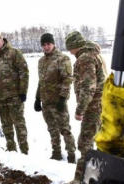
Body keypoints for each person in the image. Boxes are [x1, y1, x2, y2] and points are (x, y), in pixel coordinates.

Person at [65, 31, 108, 184]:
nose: (70, 52)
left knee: (85, 142)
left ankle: (81, 180)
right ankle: (98, 176)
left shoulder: (85, 58)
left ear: (76, 46)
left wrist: (80, 109)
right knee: (96, 141)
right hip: (102, 105)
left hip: (93, 107)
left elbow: (88, 87)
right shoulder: (95, 55)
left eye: (70, 48)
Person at [0, 32, 29, 154]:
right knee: (6, 125)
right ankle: (11, 151)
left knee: (19, 125)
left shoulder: (14, 54)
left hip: (15, 97)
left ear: (2, 40)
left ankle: (25, 153)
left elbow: (24, 73)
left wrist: (23, 92)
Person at [35, 33, 76, 163]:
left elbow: (68, 79)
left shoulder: (62, 59)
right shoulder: (41, 61)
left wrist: (63, 98)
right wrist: (37, 98)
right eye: (44, 44)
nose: (46, 47)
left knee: (65, 129)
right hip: (46, 102)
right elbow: (41, 82)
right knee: (52, 129)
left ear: (53, 44)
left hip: (58, 102)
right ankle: (56, 153)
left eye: (48, 44)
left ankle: (71, 155)